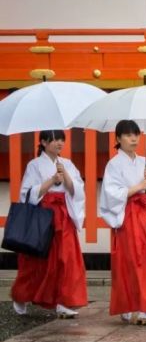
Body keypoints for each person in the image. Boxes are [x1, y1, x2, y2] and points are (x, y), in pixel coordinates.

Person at [10, 130, 87, 318]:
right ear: (43, 142)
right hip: (43, 216)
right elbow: (26, 194)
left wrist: (65, 176)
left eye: (61, 139)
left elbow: (77, 190)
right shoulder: (34, 165)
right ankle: (22, 295)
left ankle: (63, 301)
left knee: (65, 258)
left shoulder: (67, 163)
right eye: (54, 139)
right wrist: (52, 180)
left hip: (64, 216)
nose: (59, 143)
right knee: (37, 261)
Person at [99, 120, 146, 325]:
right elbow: (111, 194)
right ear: (118, 139)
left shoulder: (145, 162)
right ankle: (130, 304)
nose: (134, 138)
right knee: (130, 261)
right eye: (128, 135)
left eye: (136, 134)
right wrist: (138, 186)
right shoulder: (114, 164)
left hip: (144, 215)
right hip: (126, 216)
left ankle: (145, 307)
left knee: (144, 261)